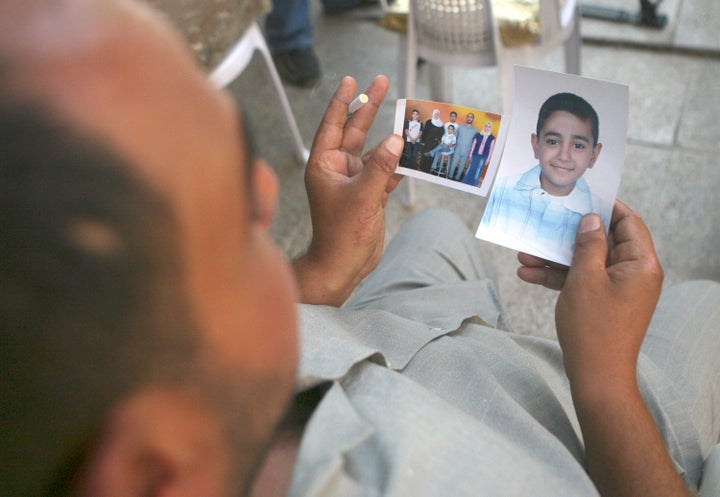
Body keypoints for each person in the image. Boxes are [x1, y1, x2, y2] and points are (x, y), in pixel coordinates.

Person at [1, 3, 718, 497]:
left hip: (379, 339)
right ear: (155, 470)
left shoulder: (156, 401)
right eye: (234, 227)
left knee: (434, 231)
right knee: (708, 307)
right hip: (578, 420)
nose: (266, 187)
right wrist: (604, 381)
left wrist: (315, 275)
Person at [478, 92, 608, 265]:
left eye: (578, 146)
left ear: (593, 155)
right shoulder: (502, 189)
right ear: (536, 145)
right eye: (553, 141)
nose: (564, 156)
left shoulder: (599, 213)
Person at [461, 120, 496, 186]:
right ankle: (465, 182)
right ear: (484, 126)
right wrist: (470, 155)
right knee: (470, 168)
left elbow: (491, 150)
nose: (487, 128)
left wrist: (488, 159)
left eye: (489, 127)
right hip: (475, 155)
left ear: (490, 128)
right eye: (486, 126)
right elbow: (473, 145)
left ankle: (473, 184)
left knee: (478, 170)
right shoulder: (478, 135)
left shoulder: (492, 138)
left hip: (483, 157)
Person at [448, 112, 478, 181]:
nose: (469, 118)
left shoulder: (475, 130)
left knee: (462, 166)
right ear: (466, 118)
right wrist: (453, 145)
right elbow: (454, 135)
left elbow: (475, 141)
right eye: (468, 117)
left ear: (473, 119)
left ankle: (457, 178)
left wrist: (472, 151)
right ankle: (449, 177)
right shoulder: (460, 126)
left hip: (467, 151)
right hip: (458, 149)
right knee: (453, 164)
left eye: (471, 117)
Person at [418, 108, 445, 173]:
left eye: (438, 114)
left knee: (431, 156)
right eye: (435, 114)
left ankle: (427, 170)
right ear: (433, 114)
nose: (436, 115)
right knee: (424, 155)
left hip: (434, 144)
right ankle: (422, 168)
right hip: (426, 142)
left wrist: (437, 139)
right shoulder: (429, 121)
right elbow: (425, 131)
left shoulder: (441, 125)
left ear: (439, 115)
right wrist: (422, 141)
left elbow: (441, 134)